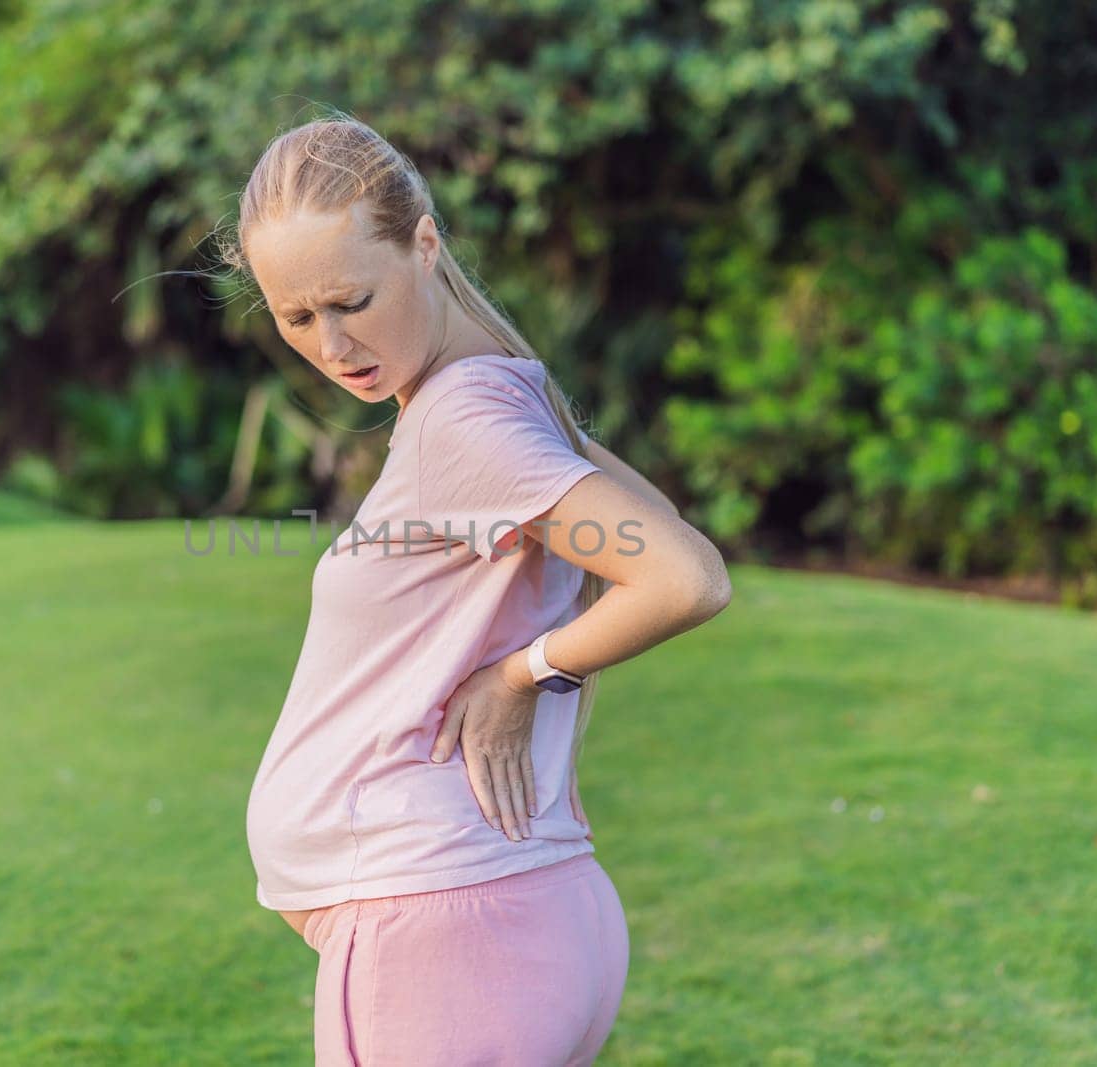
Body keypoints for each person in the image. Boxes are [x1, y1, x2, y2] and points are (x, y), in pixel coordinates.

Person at [222, 111, 733, 1066]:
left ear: (424, 243)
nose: (332, 345)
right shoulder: (497, 391)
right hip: (522, 918)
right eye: (296, 317)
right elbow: (660, 515)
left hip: (441, 933)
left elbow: (685, 574)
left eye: (352, 299)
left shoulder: (465, 424)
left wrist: (522, 671)